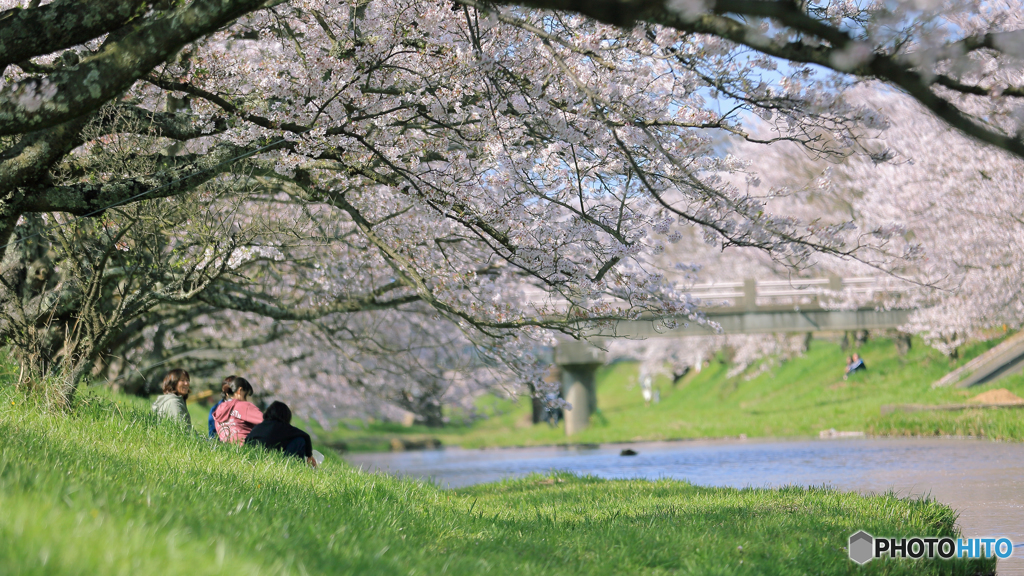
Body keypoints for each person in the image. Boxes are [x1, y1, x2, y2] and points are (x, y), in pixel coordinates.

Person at [245, 401, 317, 467]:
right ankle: (293, 466)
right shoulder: (283, 427)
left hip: (252, 458)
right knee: (299, 440)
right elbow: (305, 436)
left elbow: (247, 440)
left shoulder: (259, 426)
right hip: (268, 461)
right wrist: (309, 455)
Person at [212, 377, 262, 444]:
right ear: (239, 391)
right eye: (246, 395)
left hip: (226, 447)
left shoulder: (220, 408)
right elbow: (268, 422)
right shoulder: (244, 406)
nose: (246, 400)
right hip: (247, 448)